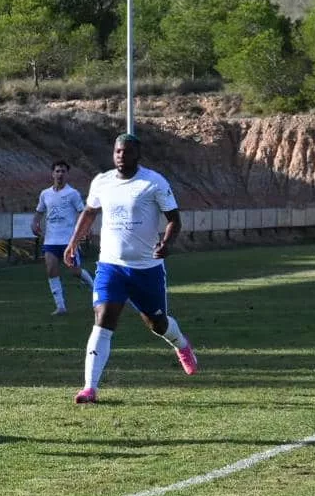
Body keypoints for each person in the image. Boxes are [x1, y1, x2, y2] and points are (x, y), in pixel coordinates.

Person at [62, 133, 198, 404]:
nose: (121, 156)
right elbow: (89, 213)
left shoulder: (154, 182)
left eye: (126, 151)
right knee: (103, 320)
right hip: (111, 265)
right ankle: (89, 388)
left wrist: (167, 243)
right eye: (117, 151)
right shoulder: (102, 181)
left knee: (156, 323)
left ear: (138, 154)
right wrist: (73, 243)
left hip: (147, 268)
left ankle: (181, 344)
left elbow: (174, 220)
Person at [32, 160, 94, 315]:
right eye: (57, 171)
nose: (60, 174)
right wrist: (35, 223)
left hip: (68, 241)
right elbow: (39, 211)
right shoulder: (45, 194)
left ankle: (95, 288)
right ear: (52, 173)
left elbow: (82, 212)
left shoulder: (72, 194)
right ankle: (60, 306)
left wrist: (86, 228)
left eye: (63, 171)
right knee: (51, 270)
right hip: (51, 241)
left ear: (67, 174)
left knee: (75, 272)